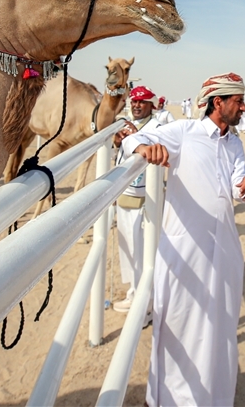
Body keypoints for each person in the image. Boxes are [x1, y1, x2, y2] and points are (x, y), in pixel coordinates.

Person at [121, 73, 245, 407]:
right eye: (238, 101)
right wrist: (145, 147)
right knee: (178, 326)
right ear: (218, 102)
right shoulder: (185, 132)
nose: (243, 107)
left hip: (225, 251)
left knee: (220, 330)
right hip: (184, 251)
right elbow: (131, 140)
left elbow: (237, 185)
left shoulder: (235, 142)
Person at [111, 85, 165, 316]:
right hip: (125, 196)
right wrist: (117, 140)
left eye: (142, 102)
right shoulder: (125, 124)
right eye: (134, 101)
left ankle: (145, 306)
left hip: (145, 200)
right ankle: (135, 295)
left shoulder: (159, 128)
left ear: (152, 105)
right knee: (129, 251)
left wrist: (134, 137)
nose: (136, 105)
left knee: (143, 254)